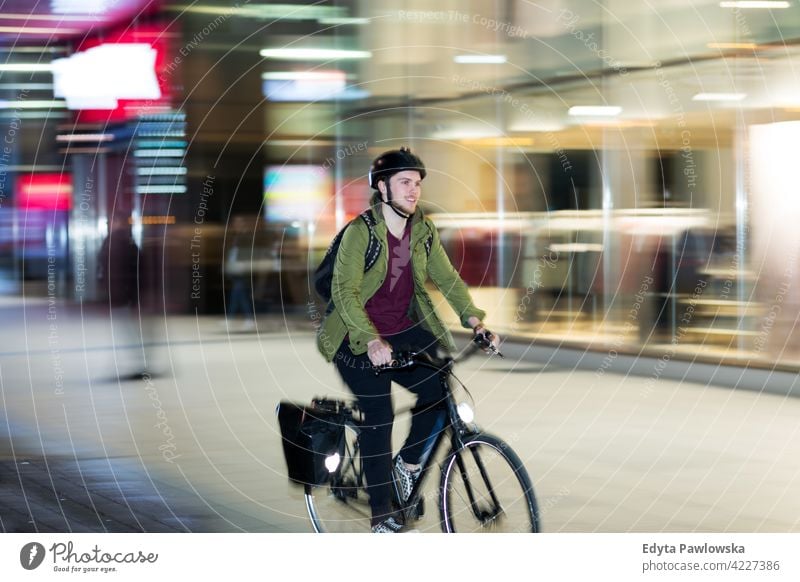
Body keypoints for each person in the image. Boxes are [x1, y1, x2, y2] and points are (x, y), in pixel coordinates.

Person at [315, 147, 500, 533]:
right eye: (404, 183)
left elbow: (447, 278)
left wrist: (474, 320)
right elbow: (345, 293)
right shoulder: (358, 233)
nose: (413, 191)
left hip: (402, 329)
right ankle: (381, 511)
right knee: (379, 414)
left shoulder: (423, 230)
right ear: (382, 188)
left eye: (416, 183)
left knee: (440, 386)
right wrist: (371, 340)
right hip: (354, 337)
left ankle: (407, 464)